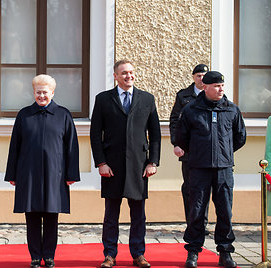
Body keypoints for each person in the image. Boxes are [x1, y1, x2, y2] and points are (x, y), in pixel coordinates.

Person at [90, 60, 161, 268]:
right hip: (111, 167)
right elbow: (95, 135)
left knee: (138, 214)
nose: (128, 76)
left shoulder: (147, 99)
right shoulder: (103, 99)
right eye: (123, 73)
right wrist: (101, 162)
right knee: (111, 214)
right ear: (115, 76)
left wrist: (153, 162)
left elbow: (155, 135)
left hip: (140, 167)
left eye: (131, 72)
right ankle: (109, 255)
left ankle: (138, 254)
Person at [5, 74, 80, 268]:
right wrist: (12, 174)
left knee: (51, 216)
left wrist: (72, 174)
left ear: (52, 93)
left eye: (45, 92)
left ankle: (49, 255)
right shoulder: (24, 115)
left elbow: (72, 146)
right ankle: (35, 256)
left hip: (56, 174)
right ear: (34, 93)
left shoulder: (63, 115)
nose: (41, 96)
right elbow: (15, 145)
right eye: (38, 92)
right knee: (31, 215)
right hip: (28, 173)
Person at [176, 71, 246, 268]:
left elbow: (240, 138)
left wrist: (223, 153)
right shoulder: (191, 110)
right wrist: (201, 152)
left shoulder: (232, 110)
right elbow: (182, 138)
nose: (221, 89)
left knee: (225, 210)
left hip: (224, 169)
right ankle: (193, 252)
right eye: (216, 86)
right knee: (196, 210)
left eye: (222, 85)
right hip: (198, 168)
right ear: (205, 87)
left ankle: (225, 252)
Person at [169, 64, 211, 229]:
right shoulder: (183, 96)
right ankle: (191, 222)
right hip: (188, 151)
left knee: (205, 187)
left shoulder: (212, 95)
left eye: (204, 76)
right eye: (198, 76)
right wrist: (176, 143)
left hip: (206, 151)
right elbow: (174, 121)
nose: (201, 79)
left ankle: (203, 223)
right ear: (193, 77)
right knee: (189, 187)